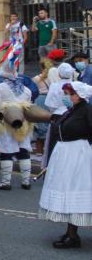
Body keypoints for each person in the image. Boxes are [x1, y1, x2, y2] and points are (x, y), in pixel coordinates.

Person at [38, 81, 92, 249]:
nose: (69, 97)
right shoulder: (72, 110)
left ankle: (72, 234)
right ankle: (71, 233)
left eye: (72, 93)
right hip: (66, 154)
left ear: (81, 95)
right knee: (68, 191)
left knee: (75, 190)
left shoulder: (87, 110)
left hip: (78, 154)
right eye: (68, 93)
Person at [0, 61, 33, 190]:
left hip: (5, 123)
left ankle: (5, 182)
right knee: (24, 150)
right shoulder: (26, 90)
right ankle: (26, 181)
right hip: (22, 124)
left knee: (6, 151)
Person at [44, 62, 76, 164]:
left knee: (54, 144)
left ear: (59, 74)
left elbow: (49, 103)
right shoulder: (77, 85)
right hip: (74, 116)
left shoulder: (54, 86)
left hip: (57, 116)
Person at [32, 60, 51, 155]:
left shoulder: (36, 78)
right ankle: (48, 149)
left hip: (39, 100)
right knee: (49, 123)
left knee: (39, 124)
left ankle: (39, 150)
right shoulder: (52, 77)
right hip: (50, 100)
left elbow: (33, 90)